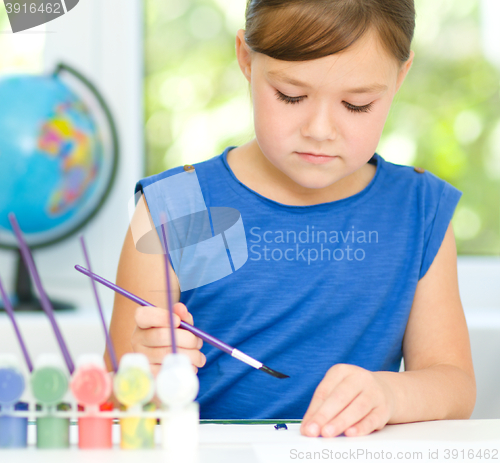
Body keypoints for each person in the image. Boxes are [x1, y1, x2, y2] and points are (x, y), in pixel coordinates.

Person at [106, 0, 476, 438]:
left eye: (356, 104)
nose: (320, 129)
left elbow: (453, 384)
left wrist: (390, 395)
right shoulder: (181, 206)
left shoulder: (417, 211)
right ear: (246, 59)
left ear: (400, 76)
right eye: (291, 96)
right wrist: (143, 371)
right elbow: (116, 400)